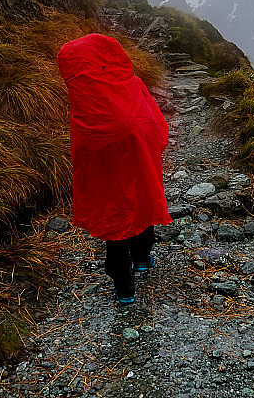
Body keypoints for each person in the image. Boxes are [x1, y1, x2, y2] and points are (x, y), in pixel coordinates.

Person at [57, 33, 172, 305]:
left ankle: (124, 286)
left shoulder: (81, 93)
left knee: (113, 212)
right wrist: (153, 146)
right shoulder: (130, 83)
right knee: (142, 195)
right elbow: (153, 122)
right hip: (137, 151)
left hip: (101, 161)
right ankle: (142, 258)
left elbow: (81, 138)